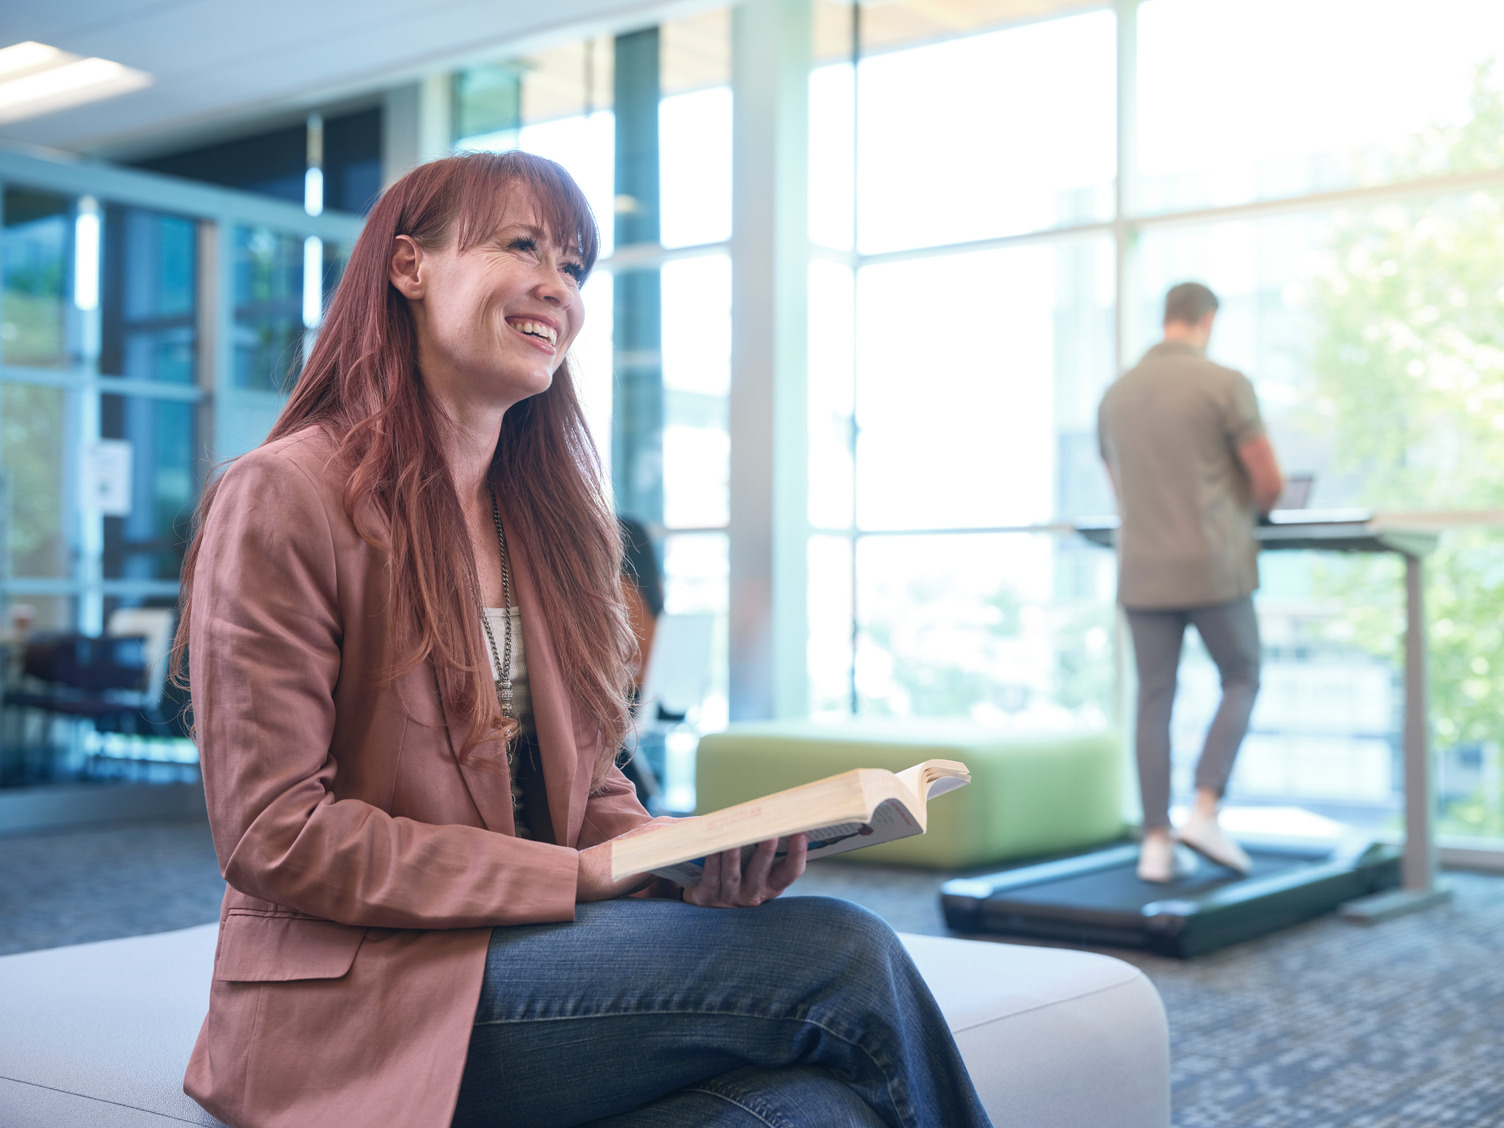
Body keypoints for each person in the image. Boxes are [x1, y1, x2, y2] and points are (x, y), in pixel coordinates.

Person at [174, 150, 991, 1128]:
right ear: (408, 267)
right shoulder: (283, 494)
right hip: (364, 997)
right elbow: (278, 836)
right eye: (522, 246)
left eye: (573, 265)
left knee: (808, 1111)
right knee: (841, 955)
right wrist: (580, 874)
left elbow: (588, 791)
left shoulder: (551, 524)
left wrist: (676, 851)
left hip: (521, 953)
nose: (555, 285)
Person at [1097, 282, 1284, 884]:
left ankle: (1156, 842)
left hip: (1143, 568)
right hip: (1212, 564)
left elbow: (1119, 486)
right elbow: (1269, 483)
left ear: (1166, 319)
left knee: (1154, 698)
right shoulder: (1225, 382)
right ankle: (1205, 809)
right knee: (1242, 674)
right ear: (1207, 321)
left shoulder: (1116, 394)